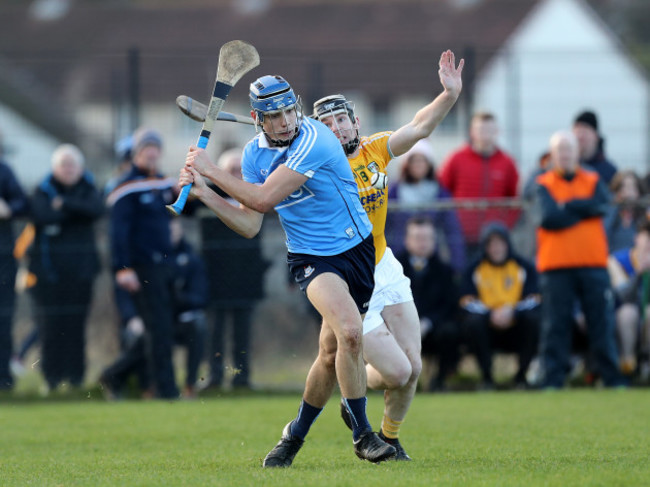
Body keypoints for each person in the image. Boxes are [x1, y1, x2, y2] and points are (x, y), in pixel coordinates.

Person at [178, 74, 395, 466]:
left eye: (289, 111)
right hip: (312, 258)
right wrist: (206, 195)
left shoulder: (314, 139)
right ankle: (364, 435)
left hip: (357, 250)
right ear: (257, 119)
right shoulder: (252, 156)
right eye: (274, 116)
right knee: (349, 331)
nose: (285, 122)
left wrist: (209, 171)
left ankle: (292, 437)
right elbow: (249, 224)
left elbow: (262, 200)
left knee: (331, 353)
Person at [310, 49, 463, 459]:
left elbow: (418, 126)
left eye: (342, 119)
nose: (337, 127)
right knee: (395, 371)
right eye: (327, 124)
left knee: (413, 368)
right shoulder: (314, 168)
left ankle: (390, 439)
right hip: (349, 280)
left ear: (355, 122)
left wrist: (448, 96)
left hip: (384, 266)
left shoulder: (375, 148)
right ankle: (352, 393)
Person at [535, 130, 624, 389]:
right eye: (560, 149)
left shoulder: (594, 179)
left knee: (601, 323)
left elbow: (601, 206)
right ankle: (553, 379)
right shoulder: (543, 183)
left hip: (593, 264)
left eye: (569, 148)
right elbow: (549, 218)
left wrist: (567, 207)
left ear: (577, 152)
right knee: (555, 326)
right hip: (555, 267)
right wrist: (582, 208)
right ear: (553, 155)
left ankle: (611, 377)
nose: (565, 154)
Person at [106, 127, 180, 399]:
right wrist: (122, 268)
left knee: (161, 330)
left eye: (155, 147)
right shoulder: (125, 187)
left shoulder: (164, 183)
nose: (151, 152)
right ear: (136, 152)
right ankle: (166, 390)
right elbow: (118, 233)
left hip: (164, 267)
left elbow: (187, 208)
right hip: (141, 269)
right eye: (145, 147)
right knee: (158, 330)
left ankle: (115, 375)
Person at [100, 218, 209, 399]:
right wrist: (133, 317)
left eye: (174, 230)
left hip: (175, 318)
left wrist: (175, 301)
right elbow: (124, 294)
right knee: (150, 335)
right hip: (149, 316)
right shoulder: (144, 260)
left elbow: (200, 296)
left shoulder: (190, 260)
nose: (170, 234)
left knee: (185, 329)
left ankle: (186, 385)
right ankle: (147, 386)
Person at [28, 144, 103, 391]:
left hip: (82, 275)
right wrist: (75, 211)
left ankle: (76, 379)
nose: (69, 169)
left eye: (73, 165)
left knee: (76, 327)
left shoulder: (89, 188)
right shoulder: (43, 189)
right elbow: (43, 215)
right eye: (64, 165)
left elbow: (96, 210)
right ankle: (51, 379)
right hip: (48, 276)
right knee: (50, 328)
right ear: (55, 168)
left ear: (80, 168)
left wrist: (65, 204)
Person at [200, 148, 269, 390]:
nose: (236, 175)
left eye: (239, 170)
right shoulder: (209, 193)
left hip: (246, 274)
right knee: (215, 330)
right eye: (230, 170)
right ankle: (214, 376)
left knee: (242, 332)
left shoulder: (256, 193)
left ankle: (241, 377)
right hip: (215, 274)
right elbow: (184, 204)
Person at [459, 222, 541, 390]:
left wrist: (513, 312)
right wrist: (491, 314)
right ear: (485, 247)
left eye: (500, 243)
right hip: (488, 327)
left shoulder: (522, 267)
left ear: (507, 244)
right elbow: (466, 301)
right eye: (491, 244)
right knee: (472, 323)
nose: (496, 248)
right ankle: (487, 378)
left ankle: (521, 378)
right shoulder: (475, 269)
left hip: (516, 326)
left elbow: (535, 298)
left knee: (534, 320)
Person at [439, 111, 520, 257]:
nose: (485, 135)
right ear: (472, 132)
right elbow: (443, 191)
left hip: (494, 239)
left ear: (496, 131)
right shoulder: (456, 159)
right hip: (461, 237)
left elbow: (514, 200)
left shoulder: (507, 162)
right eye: (481, 130)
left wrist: (504, 225)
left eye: (489, 130)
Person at [395, 217, 460, 392]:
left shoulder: (444, 270)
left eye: (426, 238)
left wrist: (428, 322)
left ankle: (438, 381)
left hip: (432, 330)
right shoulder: (392, 268)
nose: (422, 243)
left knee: (451, 332)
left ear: (434, 241)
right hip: (398, 327)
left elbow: (449, 305)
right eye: (417, 238)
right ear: (407, 240)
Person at [386, 139, 466, 273]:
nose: (418, 165)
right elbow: (383, 226)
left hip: (432, 256)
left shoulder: (440, 192)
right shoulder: (394, 191)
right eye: (414, 161)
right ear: (407, 164)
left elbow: (452, 230)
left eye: (422, 160)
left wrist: (457, 264)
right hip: (398, 257)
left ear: (429, 164)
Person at [0, 145, 28, 390]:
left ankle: (3, 380)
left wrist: (8, 209)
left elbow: (23, 203)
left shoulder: (4, 171)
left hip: (3, 260)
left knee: (3, 318)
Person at [607, 220, 650, 378]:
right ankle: (627, 363)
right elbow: (623, 296)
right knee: (628, 313)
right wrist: (639, 272)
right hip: (623, 314)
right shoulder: (618, 261)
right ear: (637, 238)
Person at [603, 170, 646, 253]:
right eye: (624, 187)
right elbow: (603, 234)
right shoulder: (610, 212)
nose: (628, 193)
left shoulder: (643, 215)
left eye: (633, 188)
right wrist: (615, 207)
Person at [572, 110, 617, 185]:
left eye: (585, 131)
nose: (580, 136)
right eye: (577, 131)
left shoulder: (609, 171)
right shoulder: (562, 167)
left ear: (596, 136)